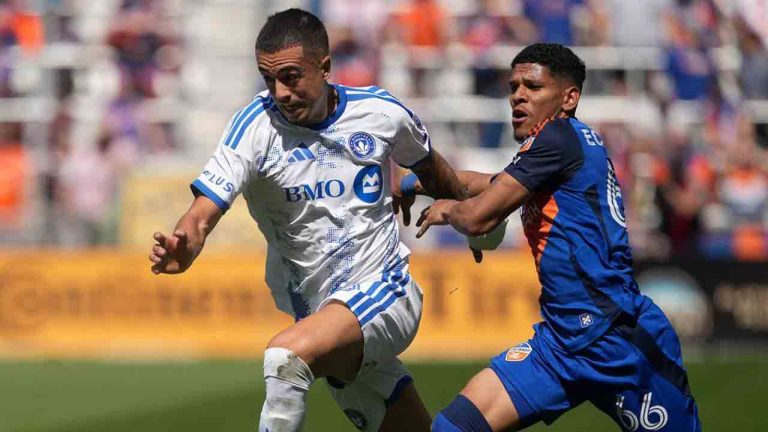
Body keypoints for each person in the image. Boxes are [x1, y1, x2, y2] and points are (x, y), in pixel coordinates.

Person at [148, 8, 468, 432]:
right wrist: (185, 244)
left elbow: (439, 175)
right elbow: (201, 214)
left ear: (325, 67)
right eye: (269, 79)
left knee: (285, 359)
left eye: (292, 76)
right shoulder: (254, 128)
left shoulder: (381, 114)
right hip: (321, 319)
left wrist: (479, 213)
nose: (280, 91)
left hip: (387, 291)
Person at [409, 43, 701, 431]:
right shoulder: (560, 147)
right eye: (513, 86)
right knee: (453, 427)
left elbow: (479, 217)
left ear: (569, 98)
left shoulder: (556, 140)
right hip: (560, 345)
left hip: (615, 340)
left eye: (532, 86)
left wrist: (445, 208)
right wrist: (413, 181)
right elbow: (486, 183)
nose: (517, 95)